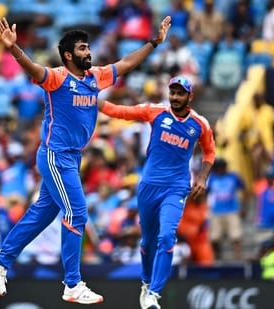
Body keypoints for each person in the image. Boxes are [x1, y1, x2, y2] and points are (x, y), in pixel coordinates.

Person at [0, 16, 172, 305]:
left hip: (72, 158)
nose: (90, 52)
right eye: (84, 48)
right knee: (77, 213)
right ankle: (72, 283)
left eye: (89, 47)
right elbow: (35, 69)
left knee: (43, 213)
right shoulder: (57, 78)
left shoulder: (95, 77)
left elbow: (126, 64)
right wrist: (14, 49)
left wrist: (154, 43)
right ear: (69, 55)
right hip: (55, 155)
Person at [99, 76, 216, 309]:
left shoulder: (199, 124)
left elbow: (210, 152)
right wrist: (90, 99)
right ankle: (146, 282)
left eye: (180, 93)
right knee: (148, 241)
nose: (175, 97)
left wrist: (202, 178)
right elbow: (119, 111)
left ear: (189, 97)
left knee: (166, 237)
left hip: (176, 187)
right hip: (149, 187)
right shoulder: (156, 112)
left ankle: (154, 293)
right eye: (172, 92)